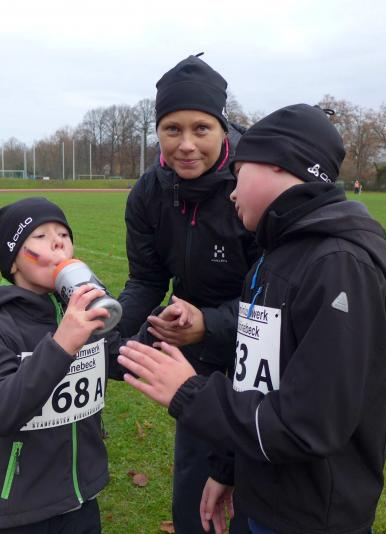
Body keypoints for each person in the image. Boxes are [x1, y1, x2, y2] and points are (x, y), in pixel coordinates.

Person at [118, 104, 386, 534]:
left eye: (239, 175)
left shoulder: (338, 266)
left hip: (311, 517)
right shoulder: (271, 260)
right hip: (259, 495)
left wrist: (188, 392)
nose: (231, 193)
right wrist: (227, 467)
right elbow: (256, 381)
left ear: (279, 165)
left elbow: (308, 425)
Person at [116, 53, 258, 534]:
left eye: (201, 128)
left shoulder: (253, 185)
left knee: (256, 490)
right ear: (157, 131)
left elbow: (281, 298)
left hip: (263, 353)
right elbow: (146, 280)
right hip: (194, 358)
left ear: (222, 126)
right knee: (196, 492)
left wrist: (209, 323)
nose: (187, 144)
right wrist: (107, 333)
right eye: (172, 129)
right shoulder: (148, 193)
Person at [0, 197, 112, 533]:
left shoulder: (77, 313)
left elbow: (118, 352)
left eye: (63, 234)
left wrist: (160, 328)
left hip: (81, 497)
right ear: (13, 262)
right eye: (40, 236)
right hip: (20, 507)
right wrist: (62, 345)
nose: (58, 242)